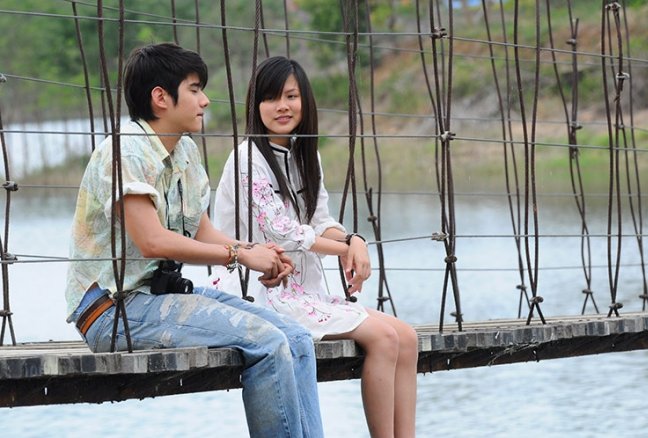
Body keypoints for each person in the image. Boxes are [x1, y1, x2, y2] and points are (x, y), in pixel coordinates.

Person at [64, 43, 324, 438]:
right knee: (268, 344)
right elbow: (152, 242)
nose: (205, 100)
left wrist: (257, 252)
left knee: (297, 339)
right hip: (113, 311)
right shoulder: (125, 151)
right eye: (195, 89)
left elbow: (201, 231)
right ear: (161, 98)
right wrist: (238, 255)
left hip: (159, 297)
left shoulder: (184, 150)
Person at [210, 56, 418, 437]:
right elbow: (285, 233)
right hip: (259, 291)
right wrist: (345, 249)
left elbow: (320, 220)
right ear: (256, 105)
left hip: (304, 292)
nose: (282, 106)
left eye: (291, 96)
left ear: (305, 101)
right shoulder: (246, 159)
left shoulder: (305, 154)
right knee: (385, 338)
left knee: (407, 338)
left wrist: (353, 240)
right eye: (271, 98)